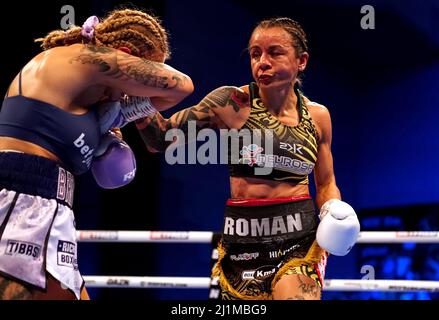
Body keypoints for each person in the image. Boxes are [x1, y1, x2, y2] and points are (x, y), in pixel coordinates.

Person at [135, 17, 360, 300]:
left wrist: (333, 210)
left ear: (301, 61)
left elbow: (326, 182)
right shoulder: (231, 103)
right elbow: (160, 138)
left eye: (274, 52)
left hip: (298, 242)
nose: (262, 62)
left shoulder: (318, 116)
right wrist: (134, 94)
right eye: (255, 54)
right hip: (242, 245)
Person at [0, 8, 193, 300]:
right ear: (126, 55)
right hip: (22, 199)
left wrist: (116, 114)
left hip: (49, 203)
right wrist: (128, 108)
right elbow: (181, 86)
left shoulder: (87, 99)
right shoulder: (89, 59)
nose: (133, 94)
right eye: (137, 82)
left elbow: (109, 174)